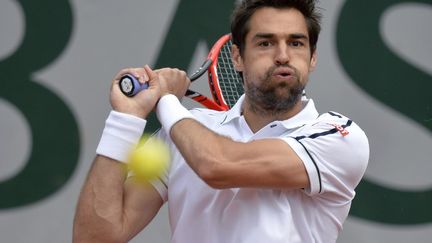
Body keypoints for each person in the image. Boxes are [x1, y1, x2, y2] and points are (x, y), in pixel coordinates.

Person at [73, 0, 369, 242]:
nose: (282, 55)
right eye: (265, 43)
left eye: (296, 43)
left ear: (312, 57)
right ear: (237, 58)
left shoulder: (339, 137)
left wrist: (165, 100)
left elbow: (218, 166)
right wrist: (126, 118)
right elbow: (93, 239)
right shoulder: (183, 133)